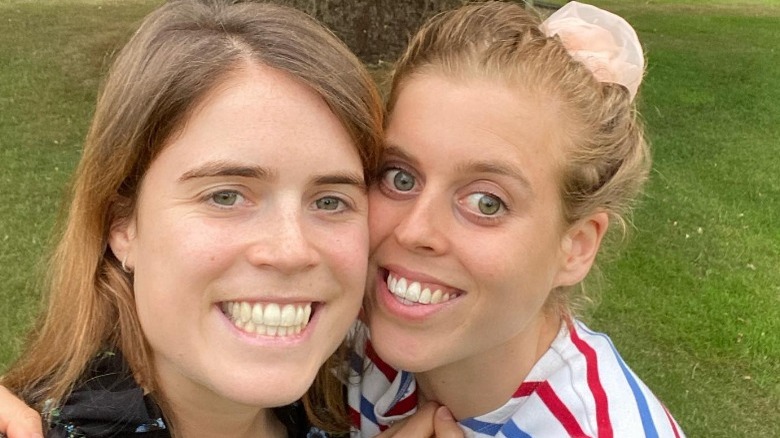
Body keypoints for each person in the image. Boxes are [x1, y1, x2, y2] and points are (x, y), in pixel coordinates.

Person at [0, 0, 388, 436]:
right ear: (121, 222)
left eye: (330, 201)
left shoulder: (367, 410)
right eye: (225, 195)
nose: (291, 251)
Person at [348, 1, 685, 437]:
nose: (414, 230)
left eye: (487, 202)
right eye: (400, 177)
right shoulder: (349, 336)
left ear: (576, 246)